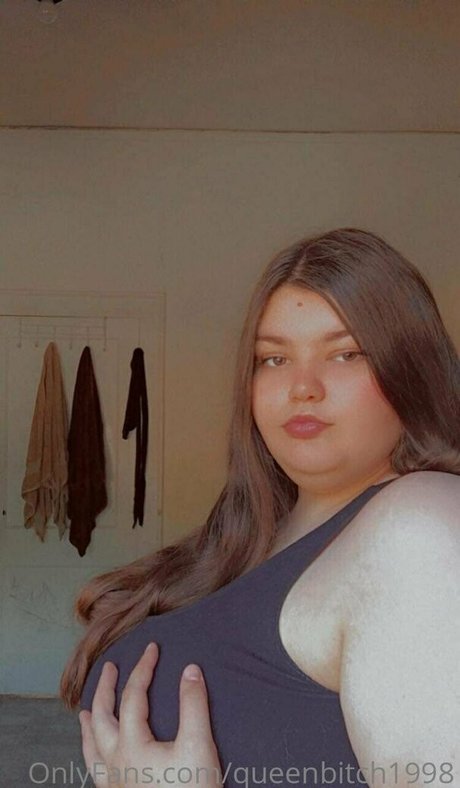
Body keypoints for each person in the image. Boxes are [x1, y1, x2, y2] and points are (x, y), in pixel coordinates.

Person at [60, 228, 460, 788]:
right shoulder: (247, 539)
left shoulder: (420, 526)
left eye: (346, 353)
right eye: (274, 358)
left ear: (411, 370)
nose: (303, 387)